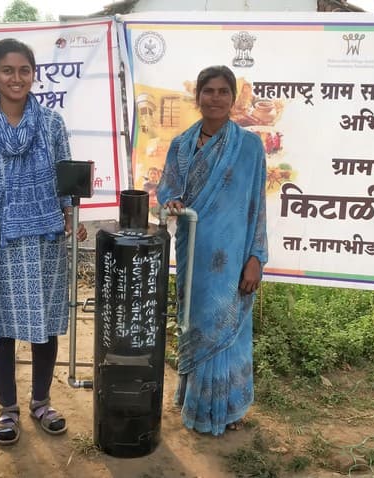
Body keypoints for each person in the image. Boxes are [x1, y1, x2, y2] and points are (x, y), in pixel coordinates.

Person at [0, 38, 87, 446]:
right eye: (7, 70)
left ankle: (41, 402)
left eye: (24, 70)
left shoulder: (51, 123)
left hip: (43, 237)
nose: (16, 78)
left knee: (44, 325)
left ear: (34, 75)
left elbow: (65, 175)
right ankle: (7, 409)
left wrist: (70, 216)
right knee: (1, 324)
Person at [157, 65, 268, 436]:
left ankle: (228, 409)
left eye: (223, 91)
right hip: (195, 255)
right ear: (198, 96)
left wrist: (256, 258)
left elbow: (257, 205)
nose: (215, 98)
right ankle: (196, 404)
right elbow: (168, 189)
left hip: (233, 258)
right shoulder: (182, 145)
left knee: (228, 330)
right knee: (196, 324)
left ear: (233, 99)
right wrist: (172, 201)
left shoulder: (250, 146)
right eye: (209, 91)